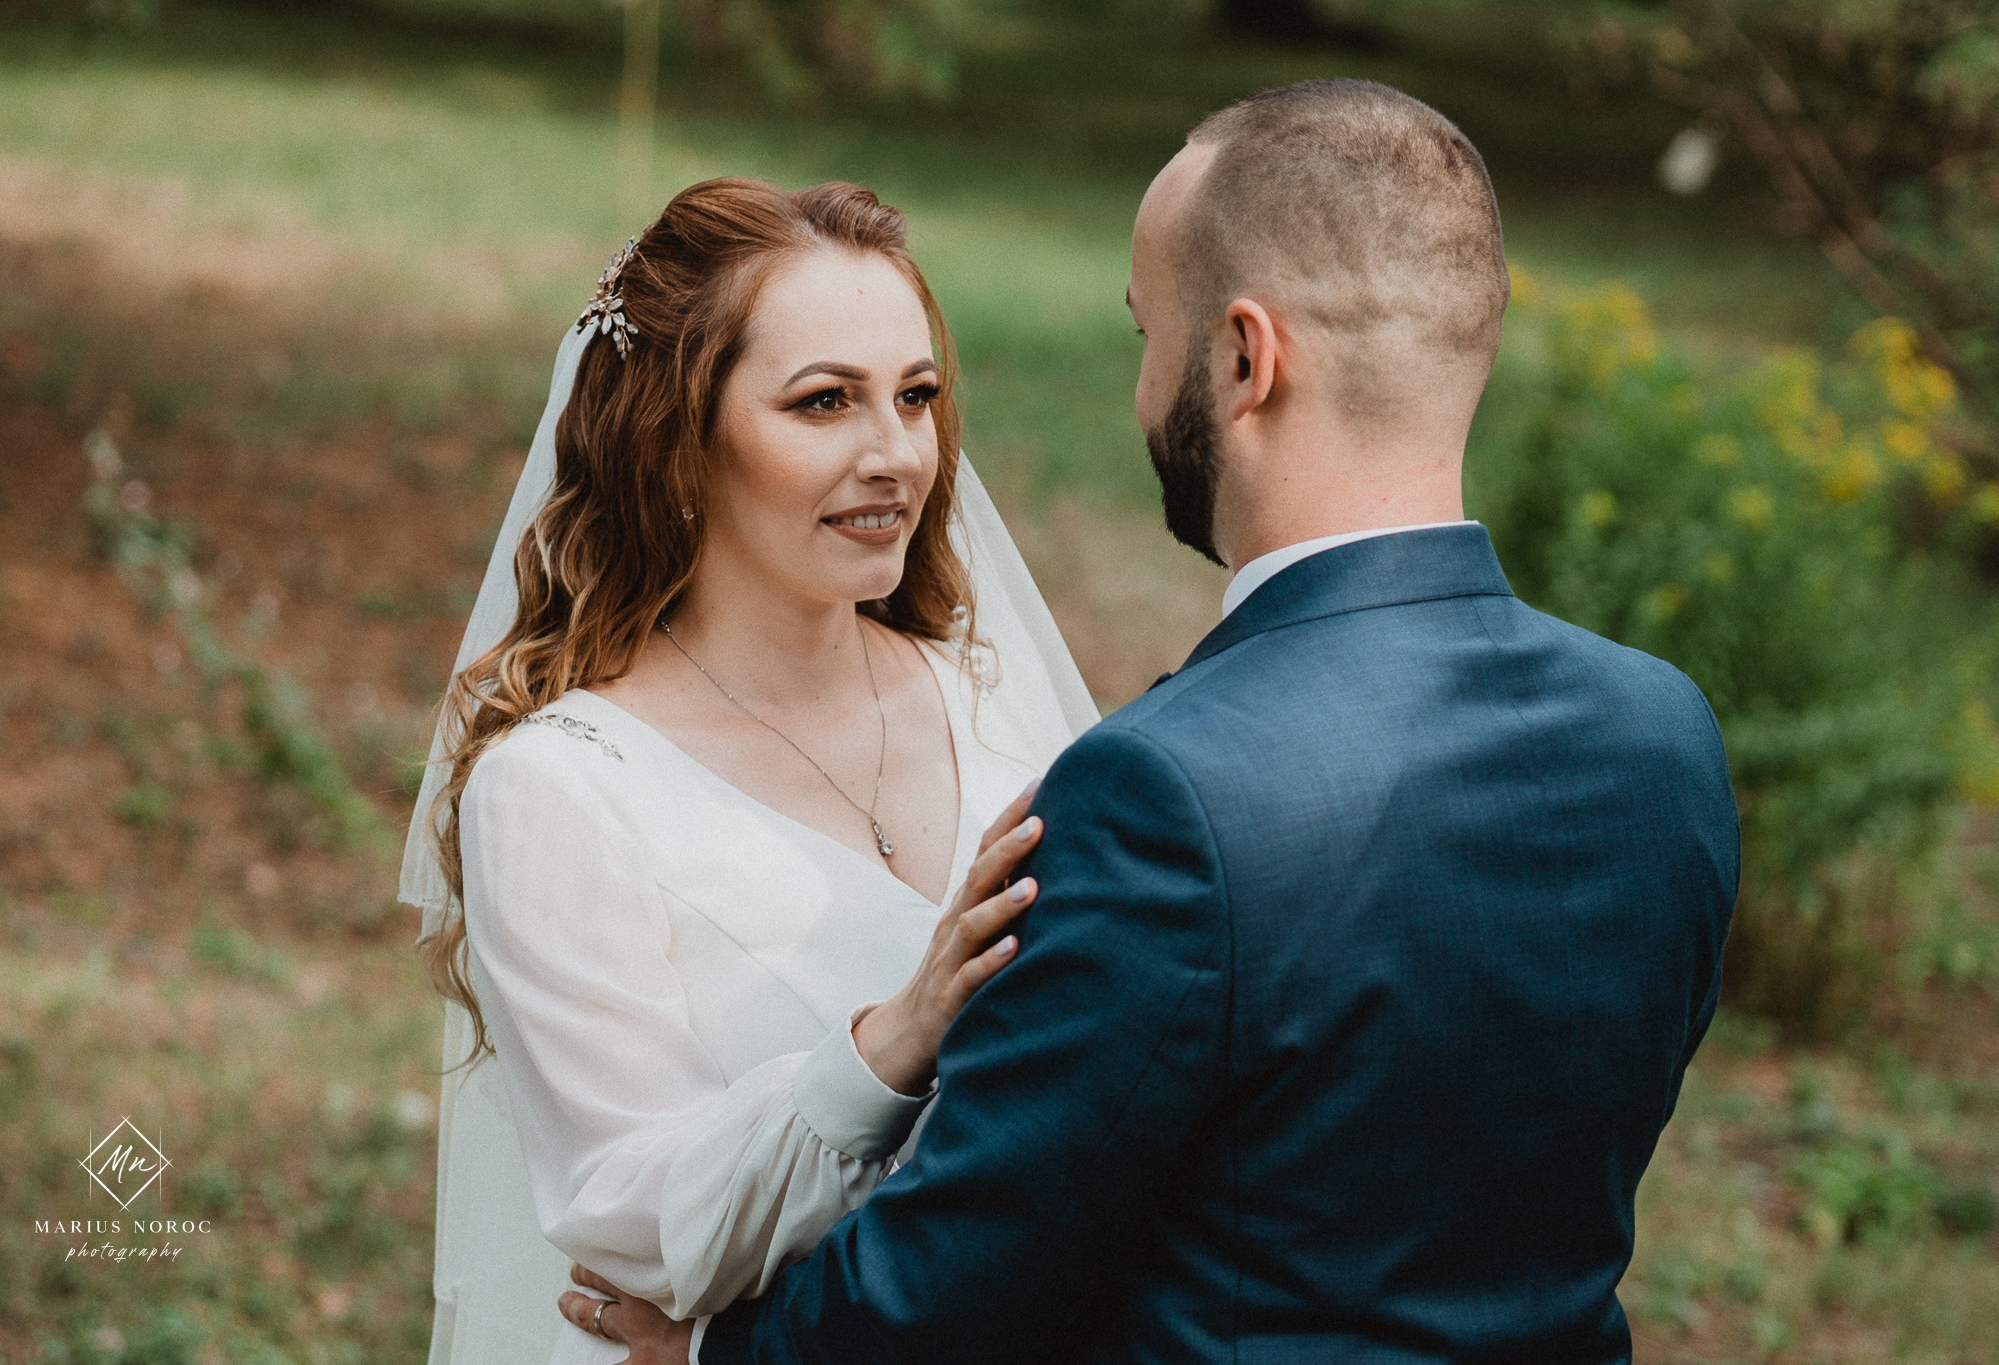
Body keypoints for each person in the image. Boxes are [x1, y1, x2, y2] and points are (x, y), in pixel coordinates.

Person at [575, 78, 1740, 1365]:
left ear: (1243, 361)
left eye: (1149, 333)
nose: (1141, 391)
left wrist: (708, 1354)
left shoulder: (1163, 796)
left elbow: (963, 1272)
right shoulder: (1661, 739)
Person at [397, 177, 1100, 1364]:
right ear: (676, 440)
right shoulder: (563, 789)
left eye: (915, 397)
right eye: (823, 402)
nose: (895, 455)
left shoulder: (992, 705)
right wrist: (893, 1041)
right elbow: (639, 1230)